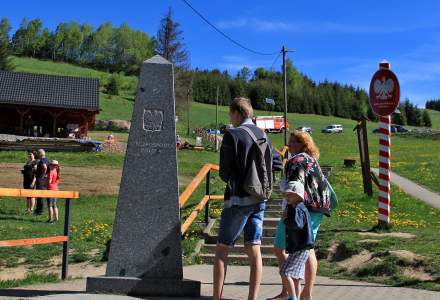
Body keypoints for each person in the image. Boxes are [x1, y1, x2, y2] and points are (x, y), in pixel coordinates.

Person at [213, 97, 282, 300]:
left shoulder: (232, 135)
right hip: (260, 199)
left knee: (222, 249)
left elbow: (224, 173)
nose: (230, 118)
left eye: (230, 114)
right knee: (254, 249)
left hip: (238, 200)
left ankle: (217, 298)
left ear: (236, 113)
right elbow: (277, 163)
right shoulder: (263, 135)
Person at [271, 130, 331, 300]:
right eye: (289, 142)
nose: (289, 145)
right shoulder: (312, 161)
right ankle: (306, 293)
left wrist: (287, 210)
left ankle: (291, 293)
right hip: (318, 209)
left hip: (299, 210)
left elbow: (295, 187)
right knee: (308, 248)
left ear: (304, 145)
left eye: (293, 142)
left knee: (279, 247)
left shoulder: (295, 161)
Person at [280, 198, 314, 300]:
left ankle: (292, 297)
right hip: (301, 247)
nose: (287, 196)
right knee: (296, 278)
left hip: (300, 247)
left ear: (298, 195)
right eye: (286, 194)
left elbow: (296, 224)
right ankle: (296, 297)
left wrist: (285, 219)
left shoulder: (298, 208)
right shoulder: (297, 207)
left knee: (285, 272)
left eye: (290, 194)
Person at [34, 149, 49, 215]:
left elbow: (45, 167)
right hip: (42, 179)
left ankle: (40, 211)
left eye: (37, 153)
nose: (36, 154)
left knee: (40, 195)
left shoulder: (43, 160)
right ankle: (38, 209)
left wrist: (42, 175)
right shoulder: (45, 159)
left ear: (40, 154)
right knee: (39, 194)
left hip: (41, 180)